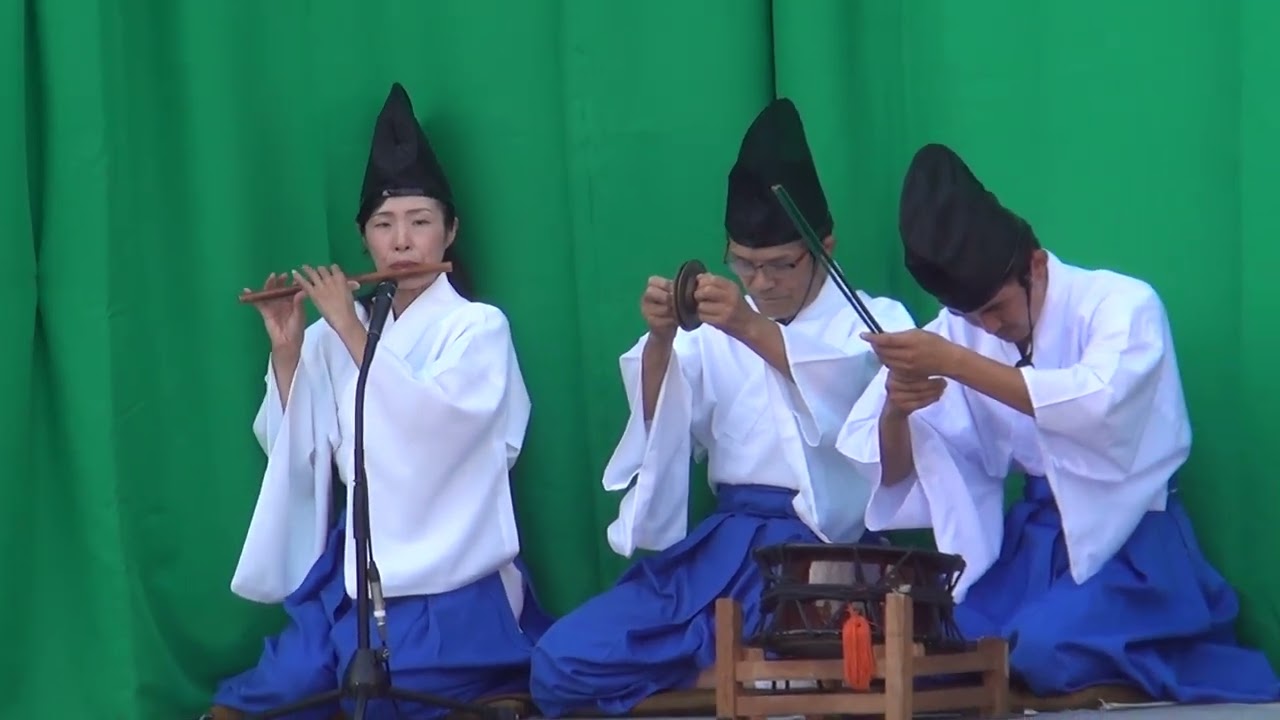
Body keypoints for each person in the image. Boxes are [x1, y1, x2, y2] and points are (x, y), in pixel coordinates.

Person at [836, 142, 1280, 702]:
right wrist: (897, 409)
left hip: (1130, 539)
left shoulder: (1124, 304)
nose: (987, 327)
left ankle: (1127, 670)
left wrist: (953, 362)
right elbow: (902, 468)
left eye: (996, 308)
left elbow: (1095, 403)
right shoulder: (958, 330)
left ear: (1036, 265)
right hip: (1036, 542)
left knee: (1040, 649)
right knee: (959, 644)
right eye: (971, 317)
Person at [527, 98, 915, 717]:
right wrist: (661, 338)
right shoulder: (713, 329)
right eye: (744, 264)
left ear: (825, 245)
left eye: (779, 265)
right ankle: (727, 677)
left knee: (803, 661)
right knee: (562, 659)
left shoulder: (873, 320)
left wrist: (750, 328)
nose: (759, 282)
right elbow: (662, 424)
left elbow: (858, 417)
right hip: (727, 541)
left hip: (821, 550)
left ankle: (732, 678)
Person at [202, 83, 553, 720]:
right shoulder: (330, 334)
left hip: (452, 562)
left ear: (451, 231)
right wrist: (288, 351)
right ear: (364, 238)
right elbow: (298, 449)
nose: (402, 242)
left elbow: (441, 433)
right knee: (286, 690)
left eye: (420, 222)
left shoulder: (477, 328)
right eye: (384, 225)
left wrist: (349, 328)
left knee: (410, 692)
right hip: (357, 562)